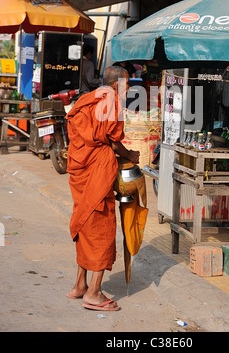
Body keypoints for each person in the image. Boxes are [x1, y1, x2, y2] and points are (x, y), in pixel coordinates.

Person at [66, 66, 140, 311]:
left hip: (80, 168)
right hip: (96, 170)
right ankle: (94, 293)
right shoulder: (111, 101)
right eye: (127, 84)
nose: (129, 89)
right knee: (101, 227)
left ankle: (80, 285)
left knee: (84, 223)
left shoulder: (87, 99)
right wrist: (130, 154)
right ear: (116, 84)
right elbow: (112, 139)